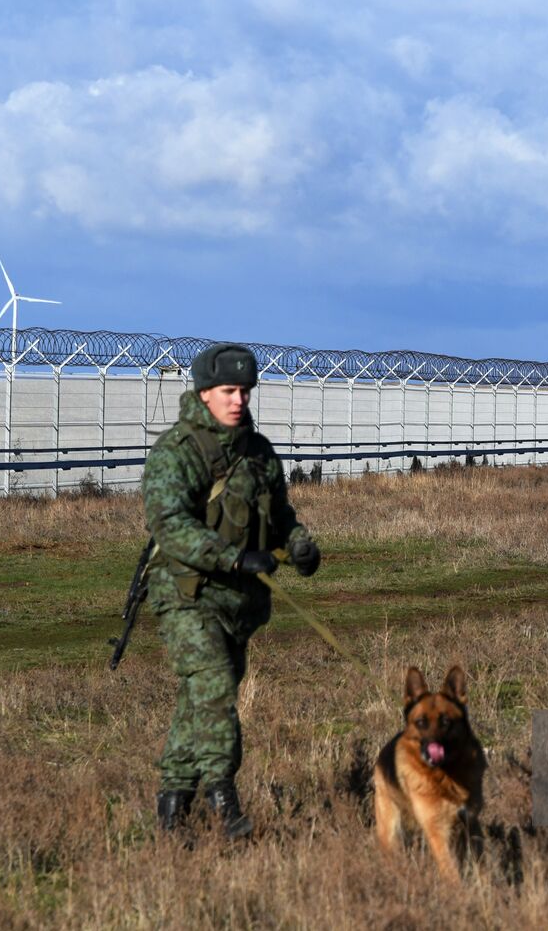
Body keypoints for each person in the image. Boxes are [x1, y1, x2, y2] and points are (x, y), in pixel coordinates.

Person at [141, 342, 321, 838]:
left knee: (199, 701)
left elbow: (282, 517)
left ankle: (172, 810)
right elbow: (170, 525)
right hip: (187, 596)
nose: (237, 400)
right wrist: (236, 558)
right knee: (216, 687)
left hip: (239, 605)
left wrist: (301, 547)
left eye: (244, 391)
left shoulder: (259, 454)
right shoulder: (177, 453)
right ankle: (225, 805)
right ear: (203, 394)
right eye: (227, 391)